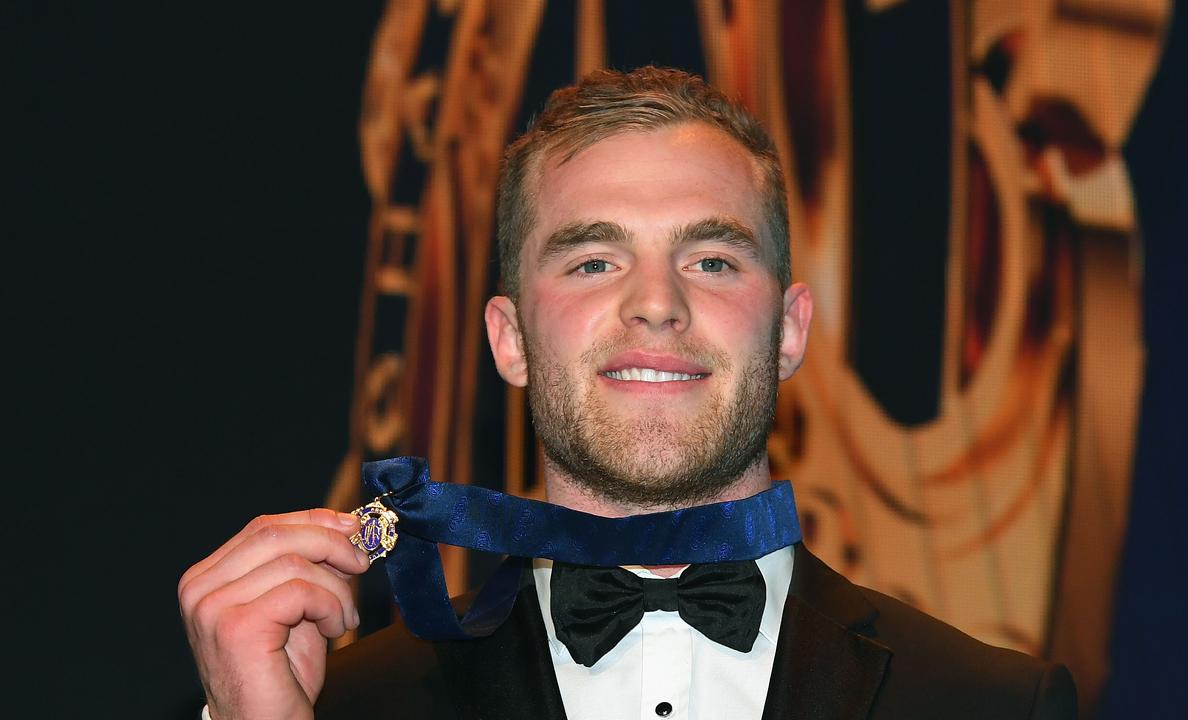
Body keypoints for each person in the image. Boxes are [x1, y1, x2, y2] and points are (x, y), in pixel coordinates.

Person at [179, 66, 1077, 720]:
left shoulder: (991, 704)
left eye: (712, 259)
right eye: (595, 260)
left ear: (791, 329)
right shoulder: (337, 711)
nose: (657, 303)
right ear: (510, 338)